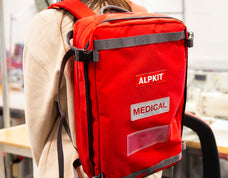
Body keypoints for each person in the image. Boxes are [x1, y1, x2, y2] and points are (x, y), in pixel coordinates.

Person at [23, 0, 161, 177]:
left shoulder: (50, 24)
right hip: (140, 165)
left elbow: (38, 124)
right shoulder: (140, 14)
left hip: (76, 168)